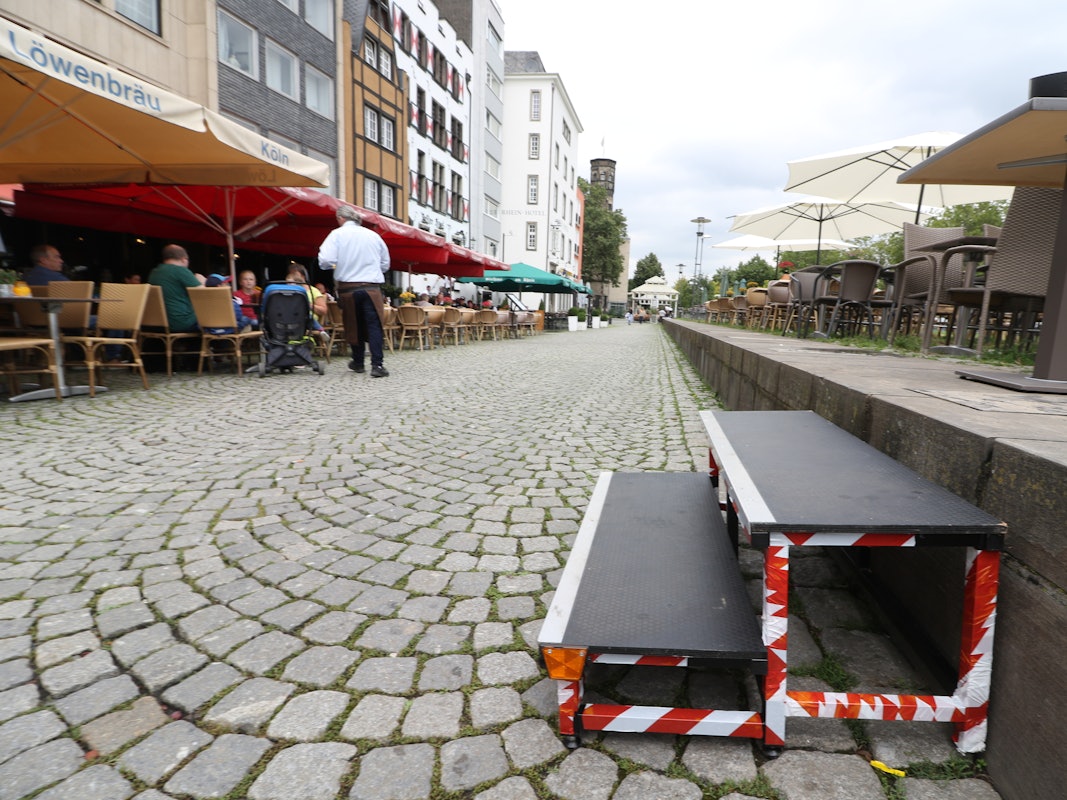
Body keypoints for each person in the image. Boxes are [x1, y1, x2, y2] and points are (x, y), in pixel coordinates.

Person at [318, 205, 391, 377]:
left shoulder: (336, 234)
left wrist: (338, 264)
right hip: (371, 287)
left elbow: (325, 260)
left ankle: (358, 362)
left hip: (348, 288)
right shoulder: (374, 236)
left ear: (340, 219)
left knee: (353, 324)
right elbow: (385, 264)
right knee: (374, 326)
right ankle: (377, 365)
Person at [148, 244, 204, 332]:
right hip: (181, 323)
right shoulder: (181, 270)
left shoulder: (154, 272)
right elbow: (205, 295)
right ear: (184, 259)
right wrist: (202, 282)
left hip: (158, 324)